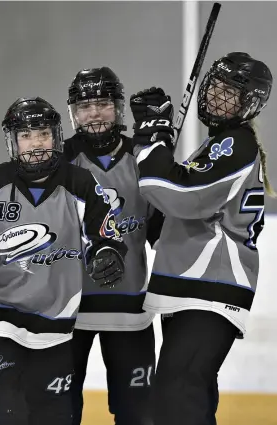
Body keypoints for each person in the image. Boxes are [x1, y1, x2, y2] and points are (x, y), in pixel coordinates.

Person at [0, 97, 128, 425]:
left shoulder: (79, 183)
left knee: (55, 418)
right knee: (5, 415)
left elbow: (103, 235)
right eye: (26, 136)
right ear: (13, 141)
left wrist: (108, 253)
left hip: (56, 326)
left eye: (44, 135)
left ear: (57, 137)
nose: (36, 144)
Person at [129, 52, 273, 425]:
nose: (215, 97)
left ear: (249, 104)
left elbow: (180, 193)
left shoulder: (234, 145)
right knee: (188, 398)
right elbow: (182, 210)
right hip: (195, 289)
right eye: (217, 87)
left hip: (209, 291)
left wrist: (151, 139)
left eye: (230, 93)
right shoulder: (218, 145)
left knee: (178, 398)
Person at [64, 67, 164, 425]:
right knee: (59, 413)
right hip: (69, 313)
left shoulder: (145, 159)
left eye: (103, 103)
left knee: (138, 414)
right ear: (73, 113)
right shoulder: (59, 162)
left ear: (119, 108)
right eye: (85, 105)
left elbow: (161, 233)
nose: (94, 113)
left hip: (130, 311)